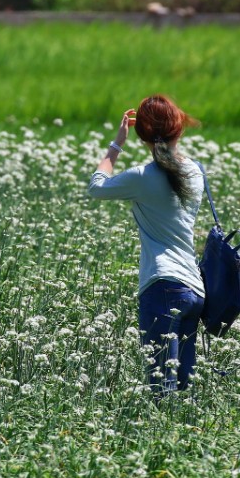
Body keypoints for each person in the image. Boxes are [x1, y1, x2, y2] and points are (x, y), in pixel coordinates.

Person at [86, 94, 206, 402]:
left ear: (143, 136)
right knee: (183, 389)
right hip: (194, 290)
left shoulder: (142, 177)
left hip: (163, 286)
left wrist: (116, 145)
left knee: (160, 389)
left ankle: (162, 447)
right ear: (179, 129)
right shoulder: (195, 172)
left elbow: (96, 187)